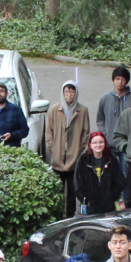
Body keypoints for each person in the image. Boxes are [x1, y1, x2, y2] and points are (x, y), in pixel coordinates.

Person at [44, 80, 90, 217]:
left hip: (73, 159)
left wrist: (79, 150)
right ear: (63, 93)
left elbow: (86, 133)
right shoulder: (55, 109)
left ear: (76, 93)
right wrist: (52, 147)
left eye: (72, 91)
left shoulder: (82, 110)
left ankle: (70, 216)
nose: (69, 94)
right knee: (57, 192)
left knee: (72, 191)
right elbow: (49, 131)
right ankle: (58, 216)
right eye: (67, 92)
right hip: (57, 158)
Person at [74, 132, 126, 216]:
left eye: (101, 142)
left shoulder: (111, 158)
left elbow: (120, 180)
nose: (98, 145)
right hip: (90, 206)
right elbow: (78, 183)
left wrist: (112, 196)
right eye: (95, 143)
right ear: (90, 145)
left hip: (109, 206)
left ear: (105, 143)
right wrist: (86, 198)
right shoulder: (83, 160)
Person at [96, 66, 131, 155]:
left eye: (123, 79)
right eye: (117, 79)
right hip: (109, 144)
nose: (120, 82)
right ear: (113, 80)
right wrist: (105, 134)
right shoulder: (105, 98)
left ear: (127, 81)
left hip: (126, 145)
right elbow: (100, 120)